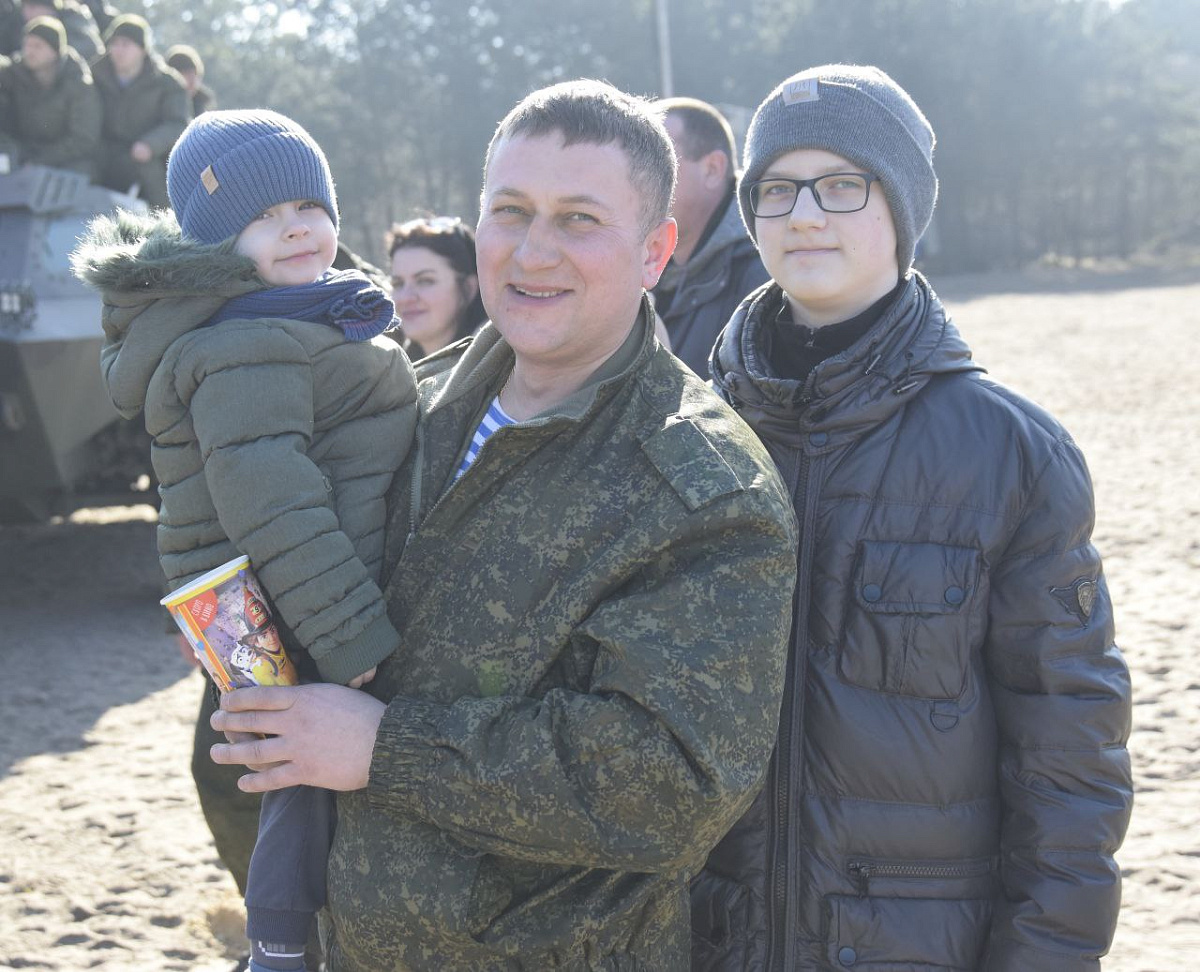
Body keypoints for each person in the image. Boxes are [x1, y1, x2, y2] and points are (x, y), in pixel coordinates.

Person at [208, 79, 800, 972]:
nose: (533, 251)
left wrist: (384, 749)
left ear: (656, 251)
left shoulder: (703, 490)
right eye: (510, 211)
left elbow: (673, 782)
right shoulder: (403, 402)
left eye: (579, 220)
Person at [693, 64, 1134, 971]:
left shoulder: (1010, 453)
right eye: (776, 189)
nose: (803, 215)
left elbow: (1070, 759)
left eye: (841, 185)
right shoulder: (685, 433)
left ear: (901, 205)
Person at [71, 108, 419, 972]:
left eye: (309, 205)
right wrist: (350, 634)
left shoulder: (292, 311)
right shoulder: (246, 339)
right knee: (300, 778)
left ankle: (287, 939)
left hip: (268, 592)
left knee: (292, 774)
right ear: (217, 246)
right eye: (263, 217)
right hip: (292, 600)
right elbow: (272, 500)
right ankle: (280, 947)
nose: (295, 226)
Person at [651, 96, 767, 375]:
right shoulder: (640, 265)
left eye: (657, 164)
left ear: (713, 169)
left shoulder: (763, 276)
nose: (637, 181)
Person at [91, 13, 189, 207]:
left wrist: (150, 144)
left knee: (154, 182)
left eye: (126, 44)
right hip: (101, 150)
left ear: (143, 49)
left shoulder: (167, 83)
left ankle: (162, 218)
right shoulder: (93, 74)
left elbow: (177, 123)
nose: (119, 50)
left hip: (142, 154)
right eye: (114, 43)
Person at [0, 16, 99, 174]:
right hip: (21, 151)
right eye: (27, 44)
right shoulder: (12, 74)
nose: (29, 51)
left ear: (55, 51)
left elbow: (83, 139)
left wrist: (39, 161)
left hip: (62, 158)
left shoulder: (78, 84)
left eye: (37, 46)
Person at [386, 215, 487, 358]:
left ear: (468, 288)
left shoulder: (500, 367)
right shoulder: (391, 365)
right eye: (398, 283)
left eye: (425, 281)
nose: (405, 298)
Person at [19, 0, 100, 62]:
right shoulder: (23, 25)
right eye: (24, 7)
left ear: (49, 8)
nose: (26, 12)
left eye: (32, 7)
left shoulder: (74, 22)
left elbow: (89, 50)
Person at [166, 42, 215, 116]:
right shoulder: (157, 107)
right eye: (184, 72)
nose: (191, 79)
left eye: (194, 73)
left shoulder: (203, 113)